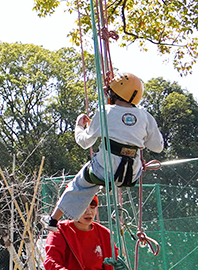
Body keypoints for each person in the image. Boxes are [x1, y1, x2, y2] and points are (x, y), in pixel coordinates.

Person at [48, 73, 163, 227]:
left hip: (103, 170)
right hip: (131, 174)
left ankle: (54, 220)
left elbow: (84, 142)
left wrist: (79, 126)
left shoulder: (104, 111)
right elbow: (158, 147)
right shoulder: (145, 116)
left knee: (81, 182)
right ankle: (107, 185)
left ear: (113, 93)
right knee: (101, 175)